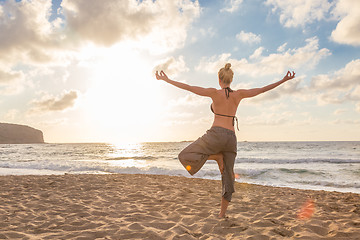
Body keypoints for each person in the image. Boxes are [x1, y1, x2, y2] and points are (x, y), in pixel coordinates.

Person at [155, 63, 295, 218]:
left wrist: (167, 80)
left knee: (185, 155)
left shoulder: (214, 93)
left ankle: (216, 157)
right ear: (231, 79)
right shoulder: (239, 94)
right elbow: (261, 90)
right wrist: (283, 80)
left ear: (219, 79)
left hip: (215, 135)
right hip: (231, 138)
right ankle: (222, 214)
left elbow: (189, 87)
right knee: (228, 177)